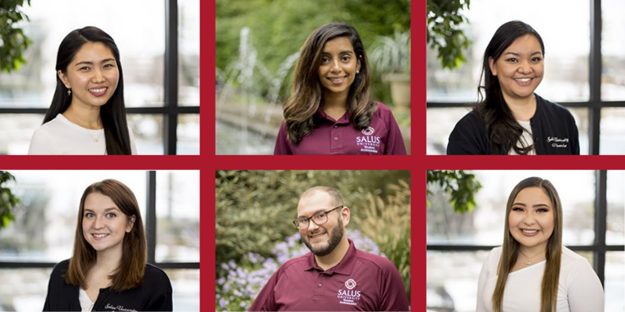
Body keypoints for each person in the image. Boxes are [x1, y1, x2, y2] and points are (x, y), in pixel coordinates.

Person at [250, 186, 409, 311]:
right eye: (303, 220)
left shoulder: (380, 271)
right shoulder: (287, 271)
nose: (311, 227)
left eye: (320, 216)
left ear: (344, 216)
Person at [447, 21, 579, 155]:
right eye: (513, 60)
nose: (526, 69)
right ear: (493, 65)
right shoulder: (468, 131)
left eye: (535, 59)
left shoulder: (563, 119)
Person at [273, 23, 406, 155]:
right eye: (324, 60)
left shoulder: (382, 116)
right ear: (312, 66)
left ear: (358, 64)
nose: (336, 68)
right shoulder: (294, 122)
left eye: (345, 58)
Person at [476, 177, 603, 312]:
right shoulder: (494, 257)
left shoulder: (577, 269)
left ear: (556, 216)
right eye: (519, 209)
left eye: (541, 210)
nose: (529, 220)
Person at [43, 179, 172, 311]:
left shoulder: (155, 283)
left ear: (130, 223)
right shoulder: (62, 273)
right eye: (90, 214)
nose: (97, 225)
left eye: (110, 215)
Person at [29, 26, 137, 155]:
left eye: (107, 65)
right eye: (85, 68)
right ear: (64, 78)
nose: (99, 78)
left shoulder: (125, 133)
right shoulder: (46, 138)